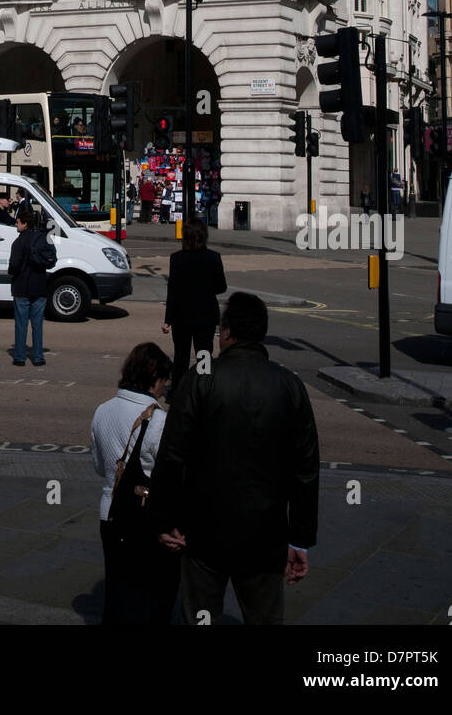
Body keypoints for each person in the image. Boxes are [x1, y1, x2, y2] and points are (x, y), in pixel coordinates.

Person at [150, 291, 319, 626]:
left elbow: (172, 455)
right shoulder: (289, 385)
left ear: (226, 332)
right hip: (265, 535)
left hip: (202, 532)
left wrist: (162, 519)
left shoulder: (200, 377)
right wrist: (299, 538)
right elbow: (306, 470)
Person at [91, 342, 179, 625]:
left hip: (110, 515)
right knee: (152, 600)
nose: (164, 388)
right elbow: (169, 478)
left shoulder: (102, 411)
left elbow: (98, 467)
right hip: (144, 520)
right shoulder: (159, 421)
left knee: (117, 596)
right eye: (164, 380)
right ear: (154, 377)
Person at [162, 219, 227, 393]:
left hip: (181, 315)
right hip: (205, 313)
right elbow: (222, 287)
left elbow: (173, 291)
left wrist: (168, 319)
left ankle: (177, 391)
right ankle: (203, 389)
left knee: (181, 356)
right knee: (204, 353)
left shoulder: (177, 258)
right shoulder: (214, 257)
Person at [8, 202, 47, 366]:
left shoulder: (18, 243)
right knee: (37, 325)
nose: (16, 224)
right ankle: (38, 357)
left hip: (22, 286)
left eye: (17, 222)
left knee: (21, 324)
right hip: (39, 286)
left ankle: (20, 357)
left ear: (24, 224)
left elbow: (14, 266)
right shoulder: (41, 239)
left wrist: (12, 271)